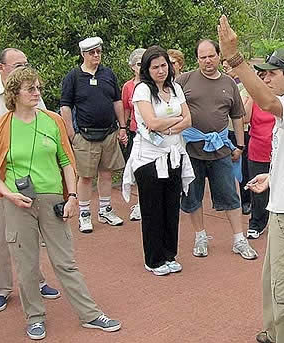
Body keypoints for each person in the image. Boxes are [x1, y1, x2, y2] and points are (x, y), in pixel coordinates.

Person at [0, 66, 121, 340]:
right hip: (18, 203)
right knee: (27, 264)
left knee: (65, 261)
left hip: (52, 199)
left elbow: (67, 161)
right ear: (14, 93)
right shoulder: (0, 127)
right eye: (30, 88)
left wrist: (72, 197)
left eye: (38, 88)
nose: (37, 93)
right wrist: (9, 195)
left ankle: (91, 314)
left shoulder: (52, 120)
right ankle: (35, 317)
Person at [218, 15, 284, 343]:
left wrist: (236, 60)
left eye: (272, 73)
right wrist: (272, 177)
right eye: (262, 73)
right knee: (274, 283)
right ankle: (275, 335)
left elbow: (264, 101)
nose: (266, 78)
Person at [0, 48, 59, 312]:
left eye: (25, 64)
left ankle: (36, 281)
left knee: (30, 232)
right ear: (1, 68)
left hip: (30, 176)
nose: (22, 68)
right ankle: (0, 288)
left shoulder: (32, 92)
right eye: (17, 64)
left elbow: (45, 124)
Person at [176, 39, 258, 260]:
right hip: (191, 148)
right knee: (193, 194)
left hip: (221, 147)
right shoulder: (184, 80)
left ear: (219, 56)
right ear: (197, 59)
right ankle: (200, 236)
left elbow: (237, 116)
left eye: (211, 56)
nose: (207, 61)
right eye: (202, 57)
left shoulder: (228, 83)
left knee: (230, 194)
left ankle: (239, 239)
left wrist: (240, 145)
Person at [122, 45, 194, 276]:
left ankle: (169, 254)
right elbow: (151, 123)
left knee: (171, 208)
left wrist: (170, 126)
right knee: (153, 210)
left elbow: (189, 119)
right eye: (156, 67)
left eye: (164, 65)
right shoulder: (142, 90)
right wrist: (176, 120)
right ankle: (153, 259)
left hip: (174, 155)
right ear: (147, 69)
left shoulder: (175, 88)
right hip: (149, 159)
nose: (161, 70)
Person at [60, 37, 127, 233]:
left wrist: (122, 126)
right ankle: (84, 214)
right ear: (83, 54)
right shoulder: (73, 77)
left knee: (106, 173)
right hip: (84, 135)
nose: (96, 55)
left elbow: (117, 101)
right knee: (86, 177)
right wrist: (71, 133)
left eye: (98, 51)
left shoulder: (108, 74)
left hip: (108, 133)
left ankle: (105, 210)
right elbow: (65, 106)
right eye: (92, 53)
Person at [243, 71, 275, 239]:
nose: (266, 81)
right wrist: (250, 95)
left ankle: (279, 222)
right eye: (261, 79)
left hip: (277, 151)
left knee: (280, 189)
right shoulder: (255, 99)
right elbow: (244, 118)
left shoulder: (278, 100)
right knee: (258, 191)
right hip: (257, 150)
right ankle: (256, 222)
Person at [222, 59, 252, 215]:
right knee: (226, 167)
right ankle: (229, 200)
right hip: (226, 130)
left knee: (244, 167)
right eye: (224, 67)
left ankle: (246, 200)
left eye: (229, 67)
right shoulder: (225, 84)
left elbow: (245, 115)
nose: (226, 70)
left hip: (244, 131)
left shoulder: (245, 86)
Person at [121, 48, 146, 221]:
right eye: (138, 64)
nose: (141, 67)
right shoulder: (128, 87)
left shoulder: (153, 84)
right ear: (132, 67)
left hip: (153, 134)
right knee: (136, 169)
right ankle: (139, 204)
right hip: (135, 133)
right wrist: (122, 128)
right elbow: (125, 108)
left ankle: (149, 203)